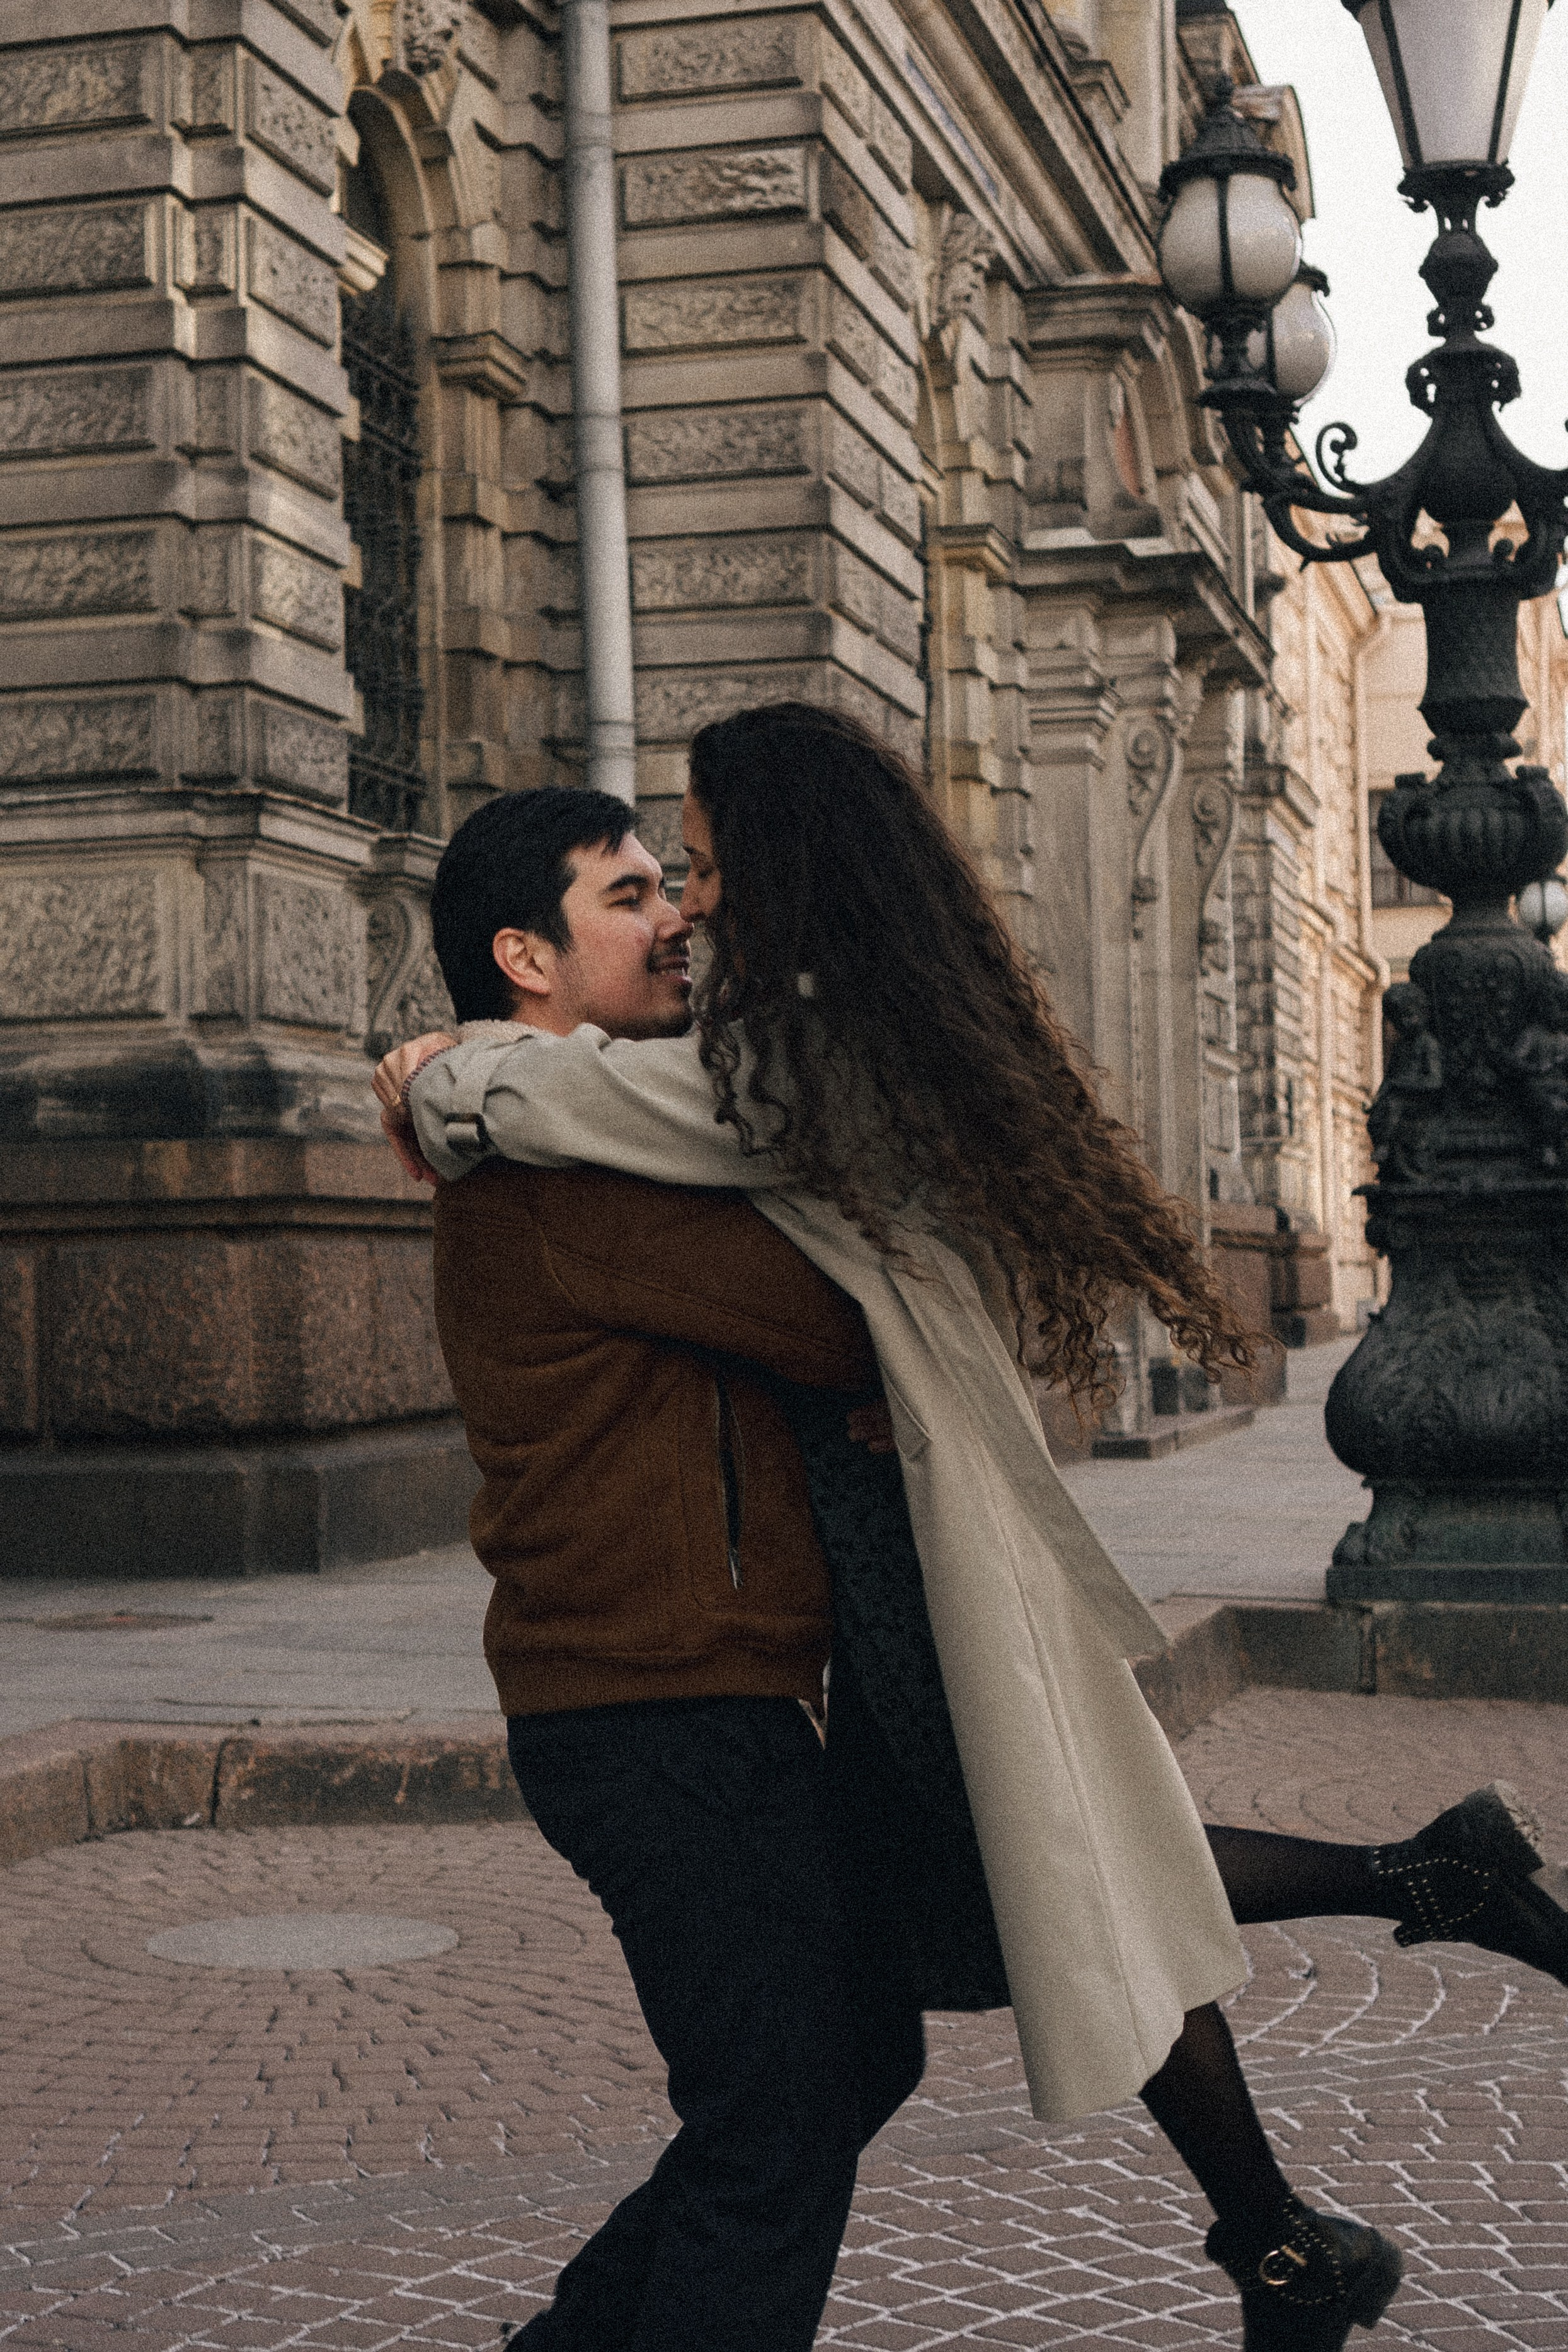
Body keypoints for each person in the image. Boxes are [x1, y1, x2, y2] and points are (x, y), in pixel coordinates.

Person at [380, 711, 1568, 2352]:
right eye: (640, 889)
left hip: (773, 1660)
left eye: (696, 873)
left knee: (946, 1970)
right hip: (665, 1688)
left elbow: (799, 1244)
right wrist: (466, 1073)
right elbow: (820, 1320)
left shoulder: (682, 1099)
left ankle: (1295, 2194)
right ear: (525, 951)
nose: (683, 913)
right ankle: (1301, 2176)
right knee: (956, 1961)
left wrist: (465, 1072)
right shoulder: (562, 1157)